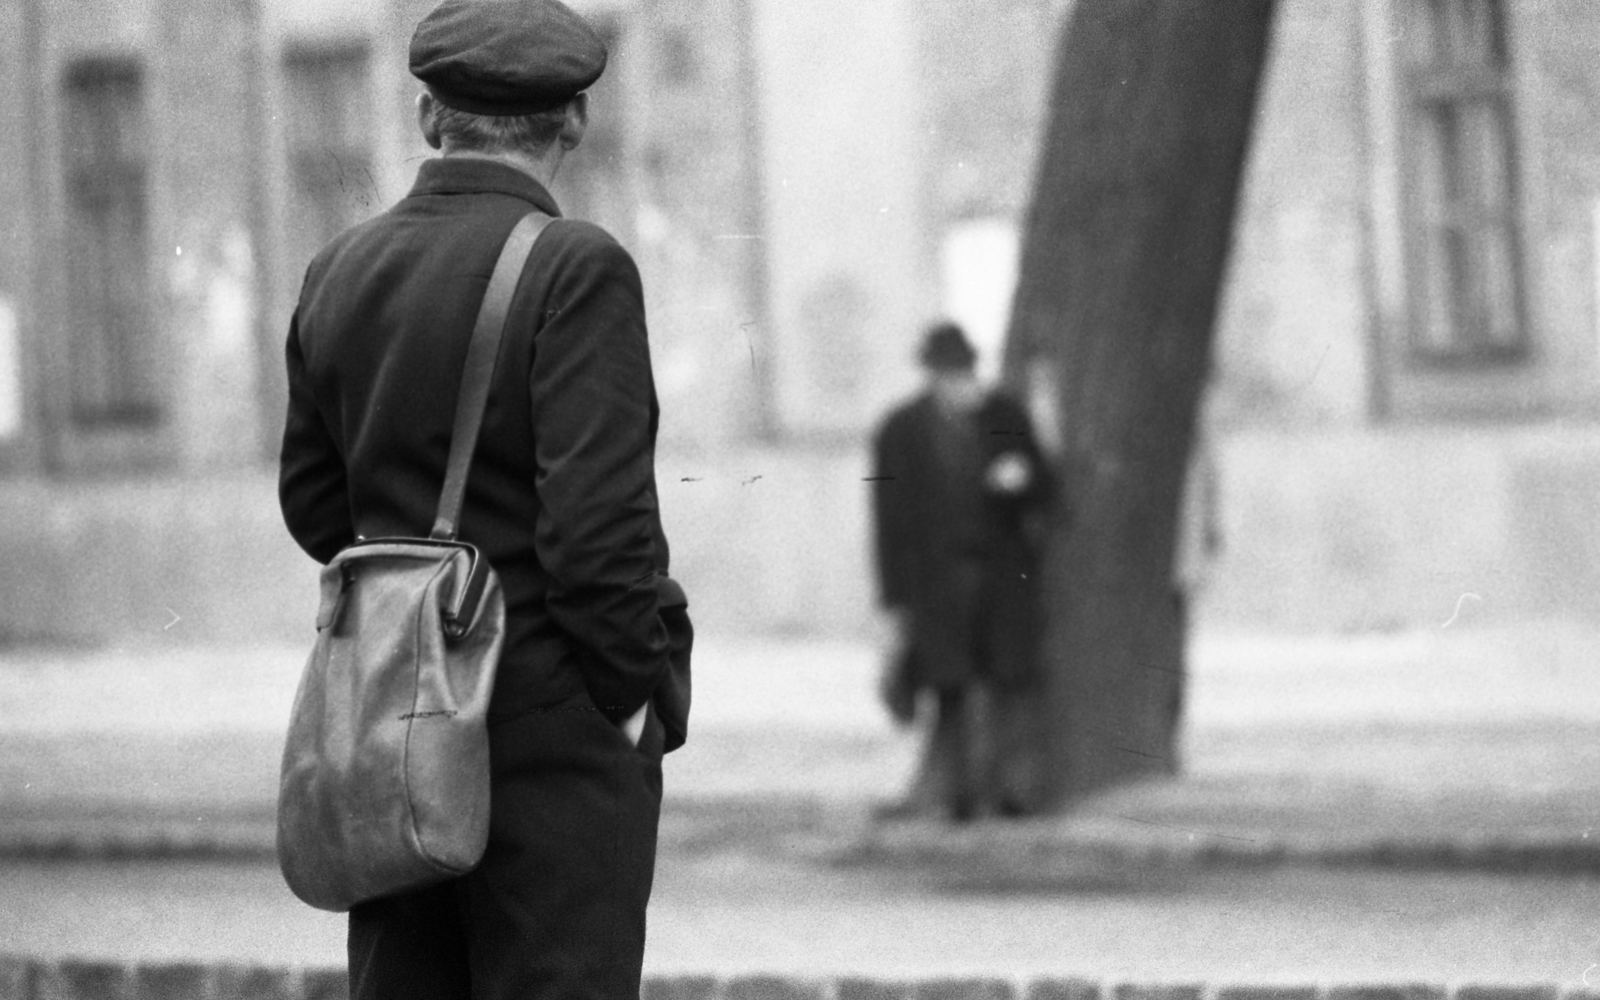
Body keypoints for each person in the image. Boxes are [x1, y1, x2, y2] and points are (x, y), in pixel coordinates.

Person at [277, 1, 689, 996]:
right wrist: (630, 699)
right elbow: (597, 536)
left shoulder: (339, 268)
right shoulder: (576, 267)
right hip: (547, 733)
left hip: (393, 721)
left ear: (429, 117)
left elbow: (313, 503)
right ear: (574, 120)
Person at [871, 322, 1054, 821]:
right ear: (932, 377)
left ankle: (1012, 794)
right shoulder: (901, 431)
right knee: (948, 689)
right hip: (937, 585)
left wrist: (1019, 480)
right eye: (950, 375)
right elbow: (889, 520)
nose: (961, 384)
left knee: (1008, 685)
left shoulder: (1004, 417)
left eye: (965, 373)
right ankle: (958, 797)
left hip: (1001, 579)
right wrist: (895, 598)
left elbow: (1044, 482)